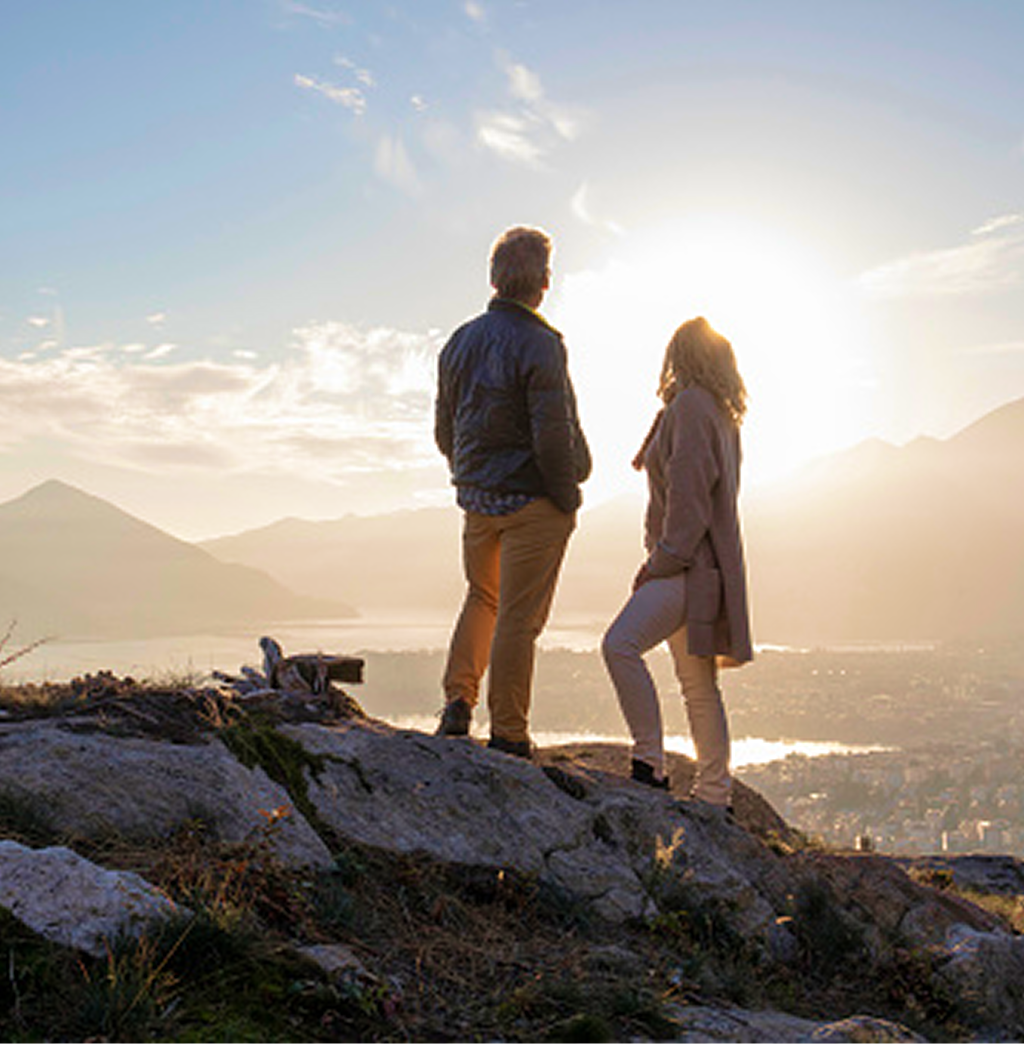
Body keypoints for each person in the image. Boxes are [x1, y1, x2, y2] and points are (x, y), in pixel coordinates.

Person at [434, 226, 591, 757]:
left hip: (477, 499)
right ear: (544, 281)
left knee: (482, 597)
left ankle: (458, 701)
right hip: (532, 501)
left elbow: (444, 431)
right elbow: (554, 432)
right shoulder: (542, 344)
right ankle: (509, 734)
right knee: (519, 620)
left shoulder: (459, 341)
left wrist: (469, 473)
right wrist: (566, 498)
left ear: (495, 278)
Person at [602, 316, 752, 808]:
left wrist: (661, 561)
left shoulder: (688, 407)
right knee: (698, 686)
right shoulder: (723, 415)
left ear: (680, 357)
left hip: (686, 566)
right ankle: (714, 794)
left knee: (620, 645)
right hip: (710, 571)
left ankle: (649, 762)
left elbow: (689, 501)